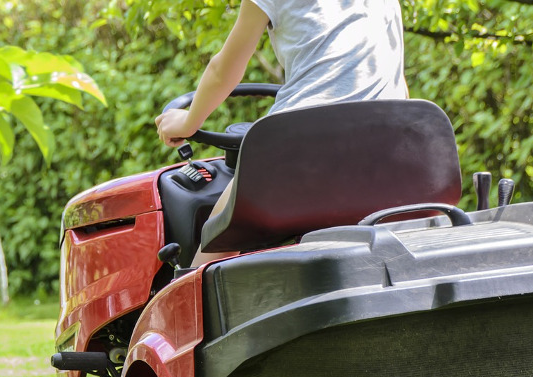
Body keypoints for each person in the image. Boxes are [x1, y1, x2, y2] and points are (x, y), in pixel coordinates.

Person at [155, 0, 408, 266]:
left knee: (220, 231)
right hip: (388, 153)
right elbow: (399, 86)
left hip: (304, 144)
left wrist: (188, 122)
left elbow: (223, 71)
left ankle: (192, 297)